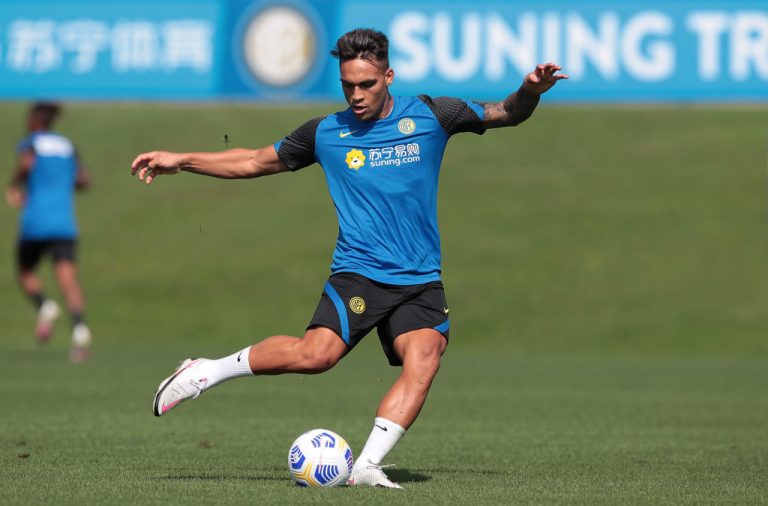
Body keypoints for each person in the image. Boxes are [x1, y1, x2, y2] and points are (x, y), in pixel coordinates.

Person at [131, 28, 566, 488]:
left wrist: (530, 91)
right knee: (316, 356)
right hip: (359, 272)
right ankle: (206, 372)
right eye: (348, 86)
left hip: (420, 278)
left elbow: (508, 112)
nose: (356, 95)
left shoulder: (434, 114)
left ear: (388, 77)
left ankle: (366, 465)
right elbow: (254, 161)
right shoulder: (325, 132)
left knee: (425, 358)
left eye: (367, 84)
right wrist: (183, 160)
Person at [6, 102, 93, 363]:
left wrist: (14, 185)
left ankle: (45, 305)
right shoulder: (68, 146)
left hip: (36, 220)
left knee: (25, 270)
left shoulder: (32, 143)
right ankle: (80, 330)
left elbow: (26, 165)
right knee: (68, 281)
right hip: (64, 223)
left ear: (35, 120)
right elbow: (83, 180)